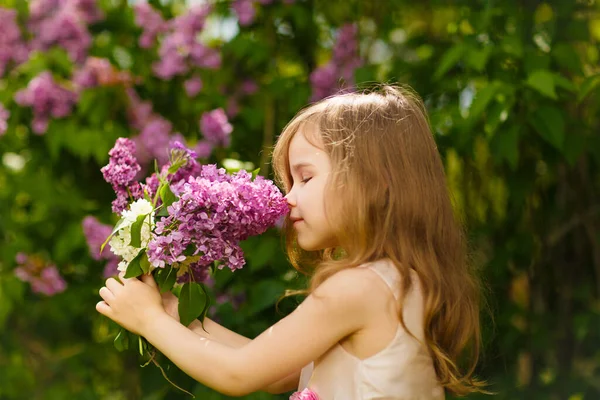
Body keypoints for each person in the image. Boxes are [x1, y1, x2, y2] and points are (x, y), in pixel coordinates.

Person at [96, 85, 486, 399]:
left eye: (306, 177)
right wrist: (170, 309)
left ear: (375, 182)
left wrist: (148, 321)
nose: (289, 198)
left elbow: (240, 373)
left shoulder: (359, 287)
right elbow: (276, 373)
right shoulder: (397, 280)